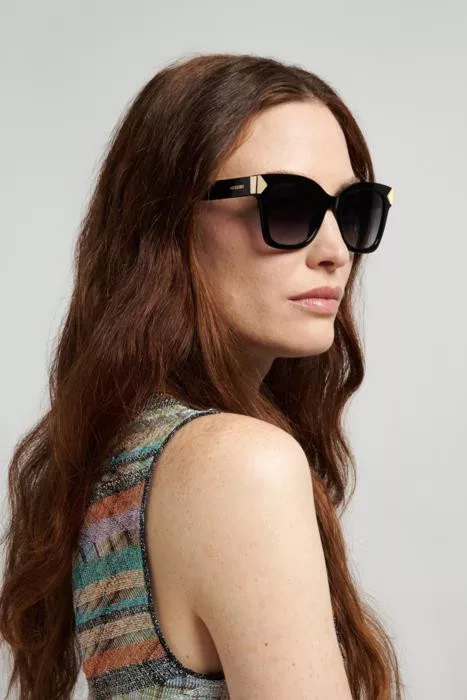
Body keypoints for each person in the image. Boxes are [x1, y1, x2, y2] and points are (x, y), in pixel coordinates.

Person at [0, 52, 404, 699]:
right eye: (288, 205)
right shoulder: (240, 465)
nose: (334, 251)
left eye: (352, 209)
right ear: (166, 224)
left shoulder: (120, 453)